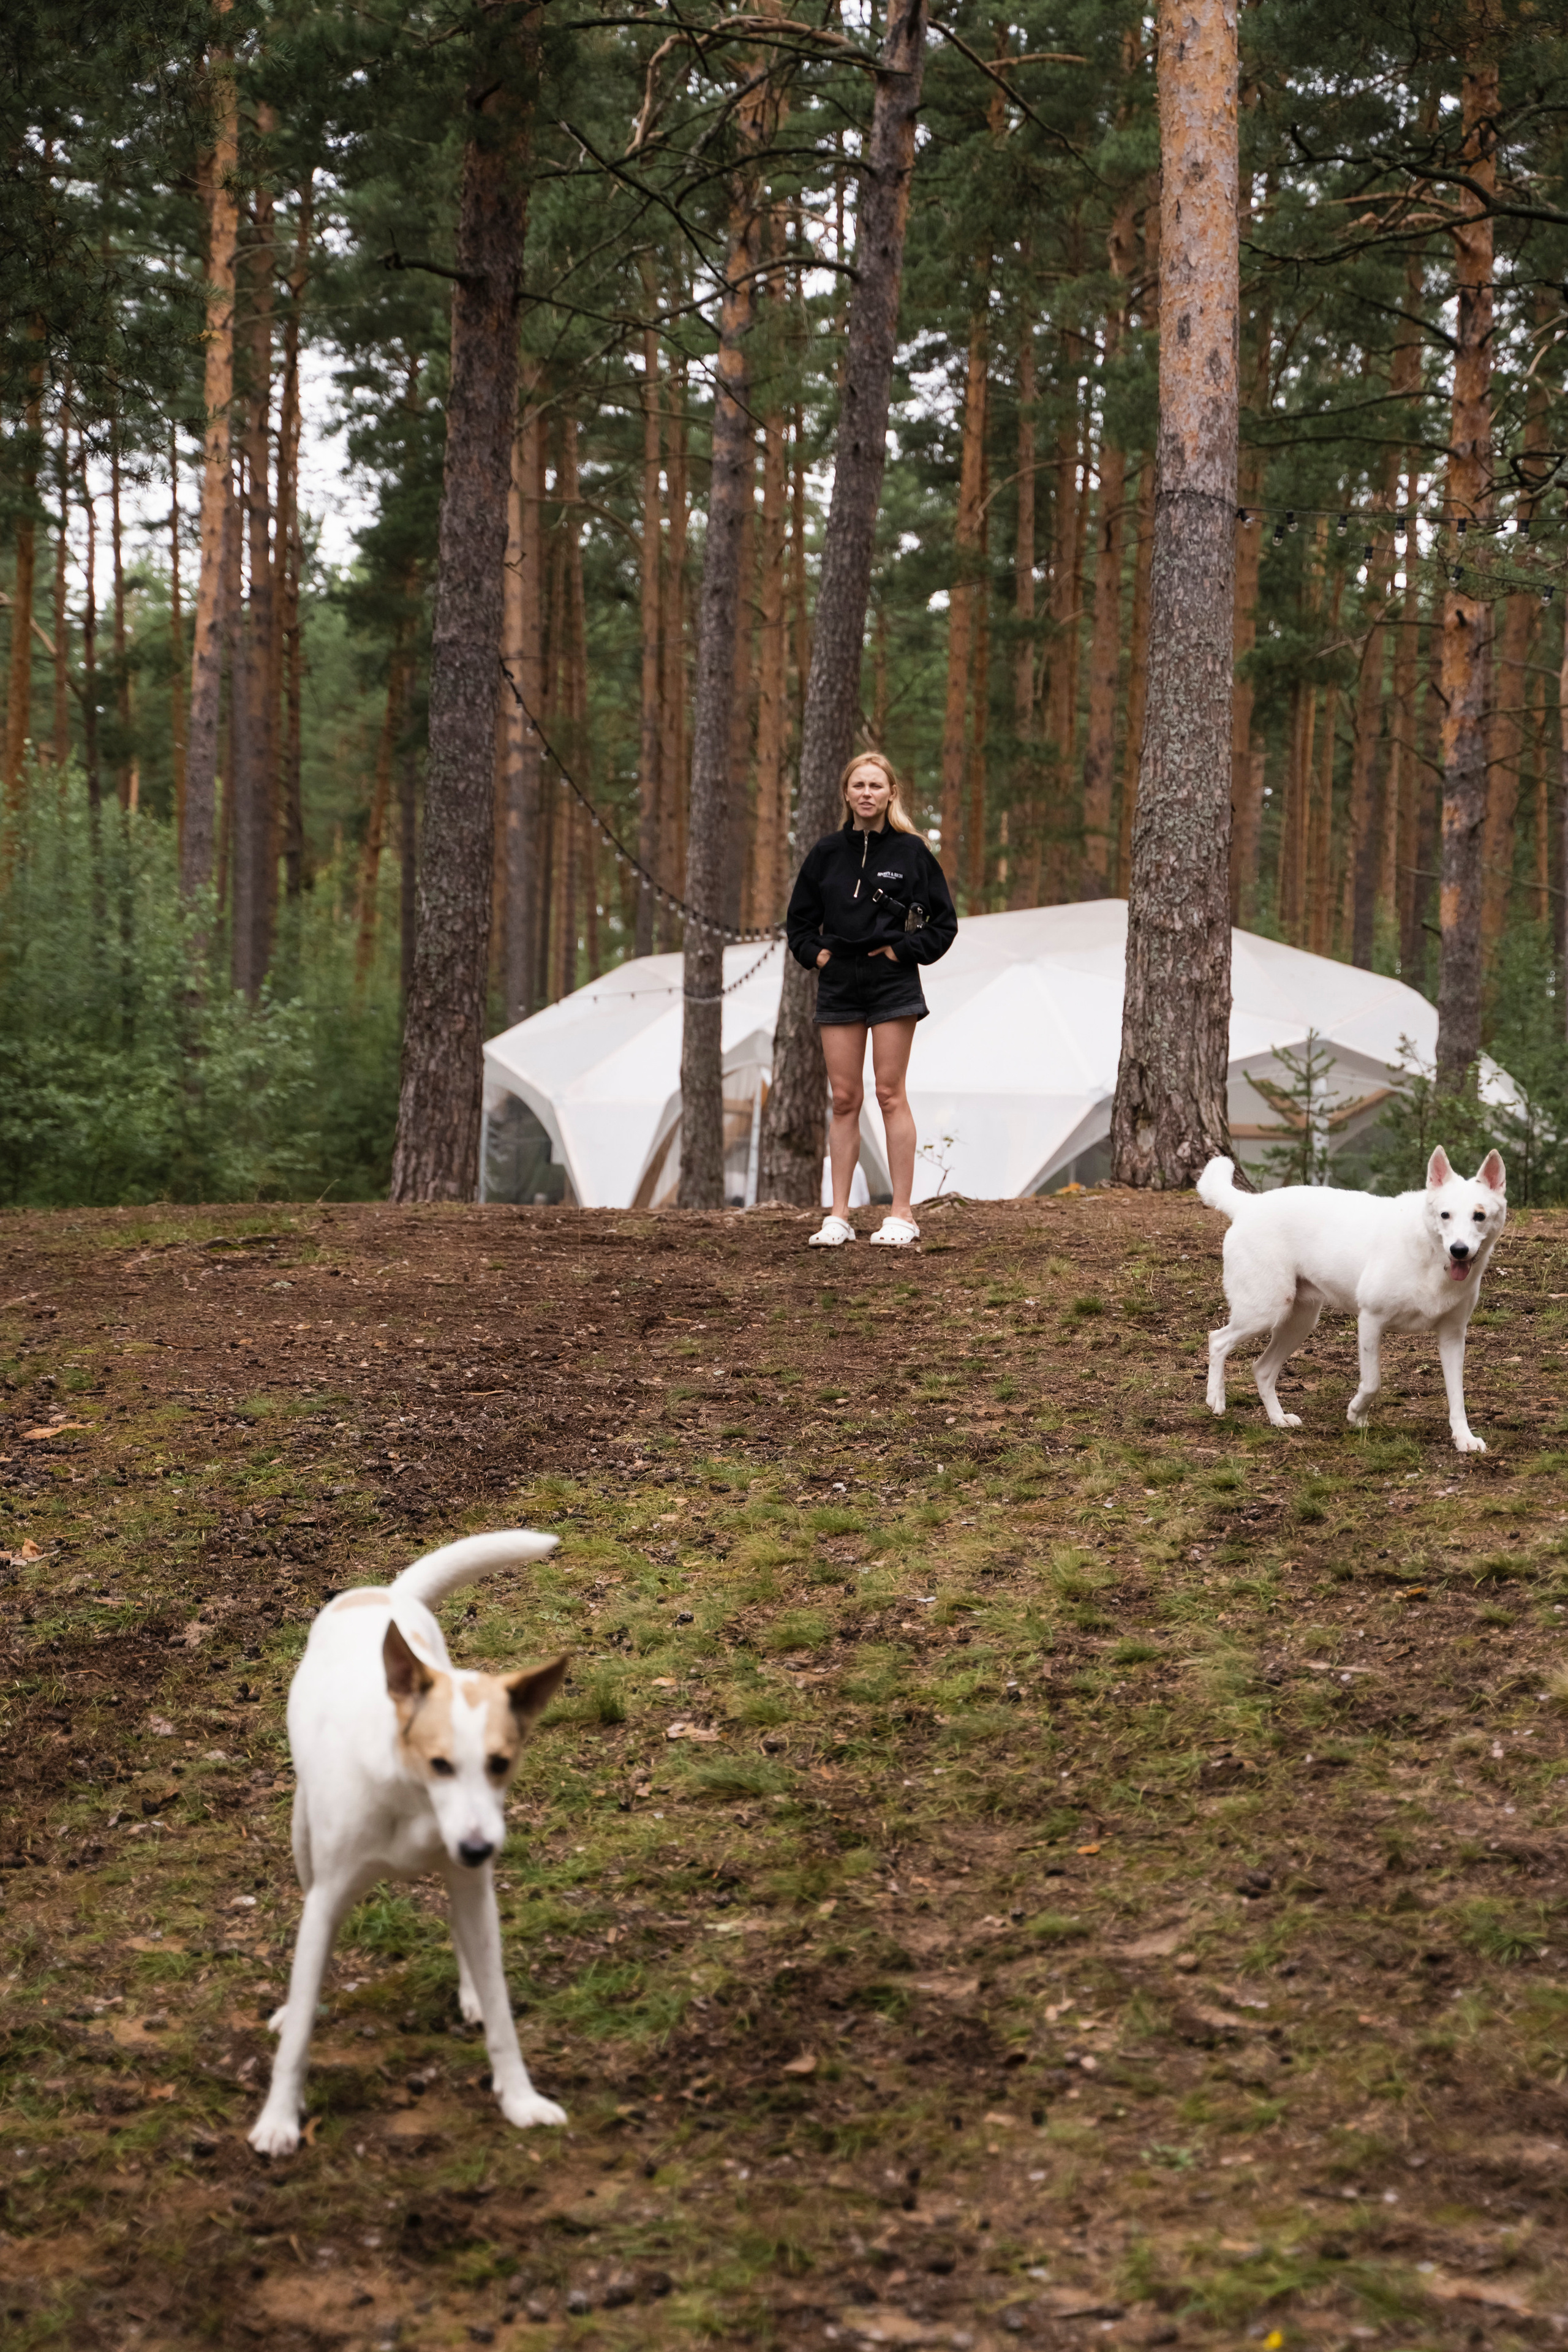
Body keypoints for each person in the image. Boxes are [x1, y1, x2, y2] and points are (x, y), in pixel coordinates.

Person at [783, 751, 957, 1246]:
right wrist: (818, 958)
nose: (866, 793)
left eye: (875, 786)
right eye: (858, 785)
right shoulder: (825, 854)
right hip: (838, 981)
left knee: (888, 1093)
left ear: (891, 794)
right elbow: (798, 924)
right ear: (846, 793)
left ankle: (901, 1214)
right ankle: (838, 1216)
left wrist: (902, 953)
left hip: (892, 982)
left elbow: (943, 925)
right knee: (844, 1100)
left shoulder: (912, 853)